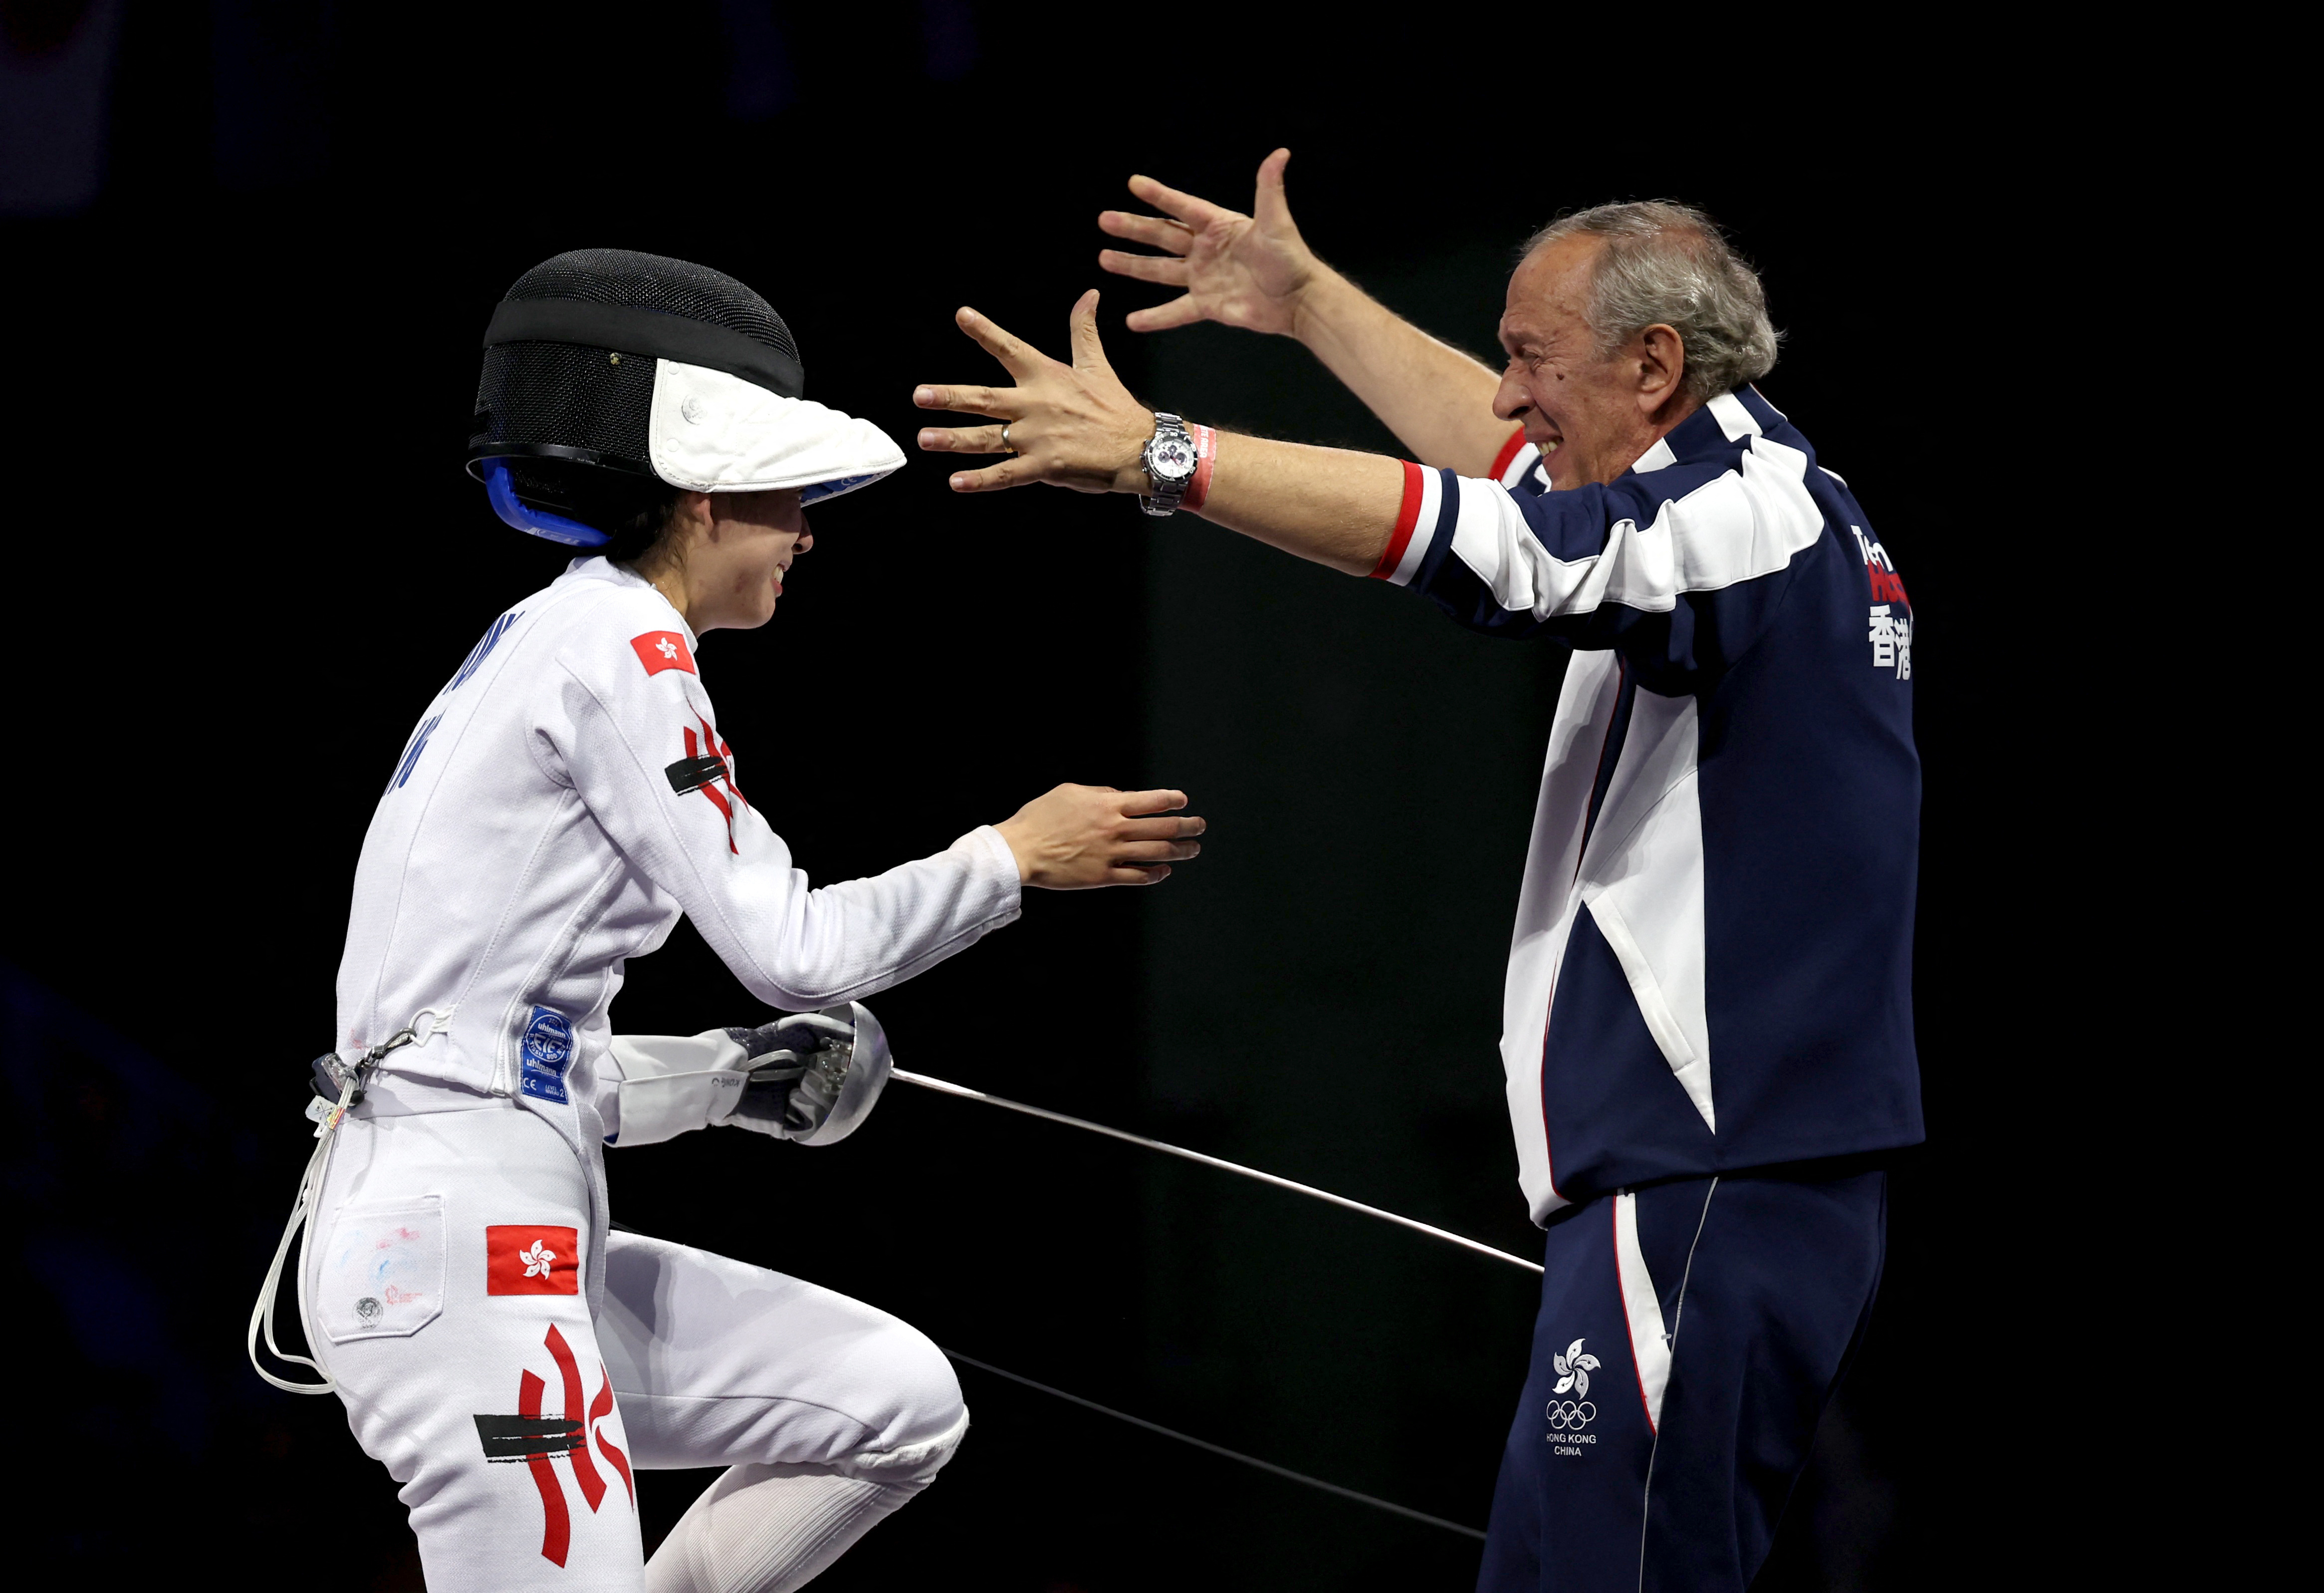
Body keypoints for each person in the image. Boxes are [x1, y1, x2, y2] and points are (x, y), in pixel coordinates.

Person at [911, 156, 1920, 1593]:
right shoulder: (1729, 488)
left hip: (1702, 1177)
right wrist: (1309, 304)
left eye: (1530, 358)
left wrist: (1163, 456)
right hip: (1702, 1183)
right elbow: (1514, 476)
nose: (1505, 397)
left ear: (1652, 363)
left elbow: (1503, 547)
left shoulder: (1740, 520)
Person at [252, 248, 1205, 1593]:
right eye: (788, 497)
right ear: (703, 497)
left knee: (892, 1402)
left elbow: (501, 1056)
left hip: (480, 1225)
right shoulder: (628, 651)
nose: (807, 531)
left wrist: (728, 1079)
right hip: (464, 1259)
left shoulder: (553, 639)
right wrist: (1007, 859)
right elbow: (796, 952)